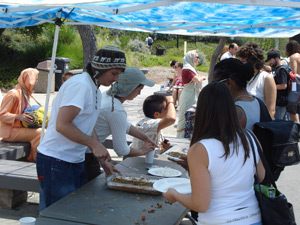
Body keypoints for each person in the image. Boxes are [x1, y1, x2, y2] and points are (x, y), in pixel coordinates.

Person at [36, 46, 126, 212]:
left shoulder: (95, 89)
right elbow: (63, 125)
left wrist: (103, 160)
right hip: (56, 160)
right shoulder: (80, 85)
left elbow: (88, 127)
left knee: (73, 213)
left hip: (75, 160)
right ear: (101, 68)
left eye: (119, 74)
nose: (117, 79)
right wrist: (93, 145)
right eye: (114, 73)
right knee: (56, 216)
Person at [163, 81, 265, 225]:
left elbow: (200, 205)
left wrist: (174, 194)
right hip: (254, 218)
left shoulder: (200, 149)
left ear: (202, 110)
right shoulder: (250, 137)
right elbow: (260, 176)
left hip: (218, 220)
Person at [90, 67, 156, 181]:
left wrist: (145, 137)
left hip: (89, 150)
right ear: (129, 88)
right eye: (139, 89)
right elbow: (121, 150)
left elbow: (124, 125)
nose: (139, 93)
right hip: (88, 155)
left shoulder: (107, 95)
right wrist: (142, 150)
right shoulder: (116, 109)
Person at [0, 68, 42, 162]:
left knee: (45, 128)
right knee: (41, 133)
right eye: (36, 79)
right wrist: (18, 117)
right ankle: (34, 160)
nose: (37, 81)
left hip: (19, 128)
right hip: (10, 131)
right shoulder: (13, 94)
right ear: (29, 80)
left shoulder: (25, 93)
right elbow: (2, 115)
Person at [213, 58, 260, 130]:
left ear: (228, 83)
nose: (214, 87)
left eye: (215, 83)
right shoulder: (255, 101)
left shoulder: (235, 111)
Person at [237, 43, 277, 119]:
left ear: (254, 61)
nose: (241, 64)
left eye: (244, 61)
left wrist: (263, 129)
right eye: (240, 61)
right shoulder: (240, 77)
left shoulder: (266, 78)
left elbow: (271, 110)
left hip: (259, 125)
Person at [177, 50, 206, 138]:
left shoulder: (189, 68)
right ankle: (182, 139)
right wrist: (203, 78)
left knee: (191, 118)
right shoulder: (188, 68)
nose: (198, 59)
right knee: (185, 118)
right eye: (196, 57)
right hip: (188, 96)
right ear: (191, 58)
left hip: (191, 94)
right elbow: (197, 80)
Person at [265, 50, 289, 120]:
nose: (270, 62)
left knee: (278, 123)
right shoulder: (276, 69)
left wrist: (271, 87)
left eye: (271, 60)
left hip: (281, 102)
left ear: (277, 58)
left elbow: (283, 85)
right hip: (278, 101)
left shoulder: (282, 70)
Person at [285, 40, 300, 121]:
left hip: (296, 87)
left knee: (292, 111)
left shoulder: (293, 57)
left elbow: (293, 73)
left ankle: (295, 129)